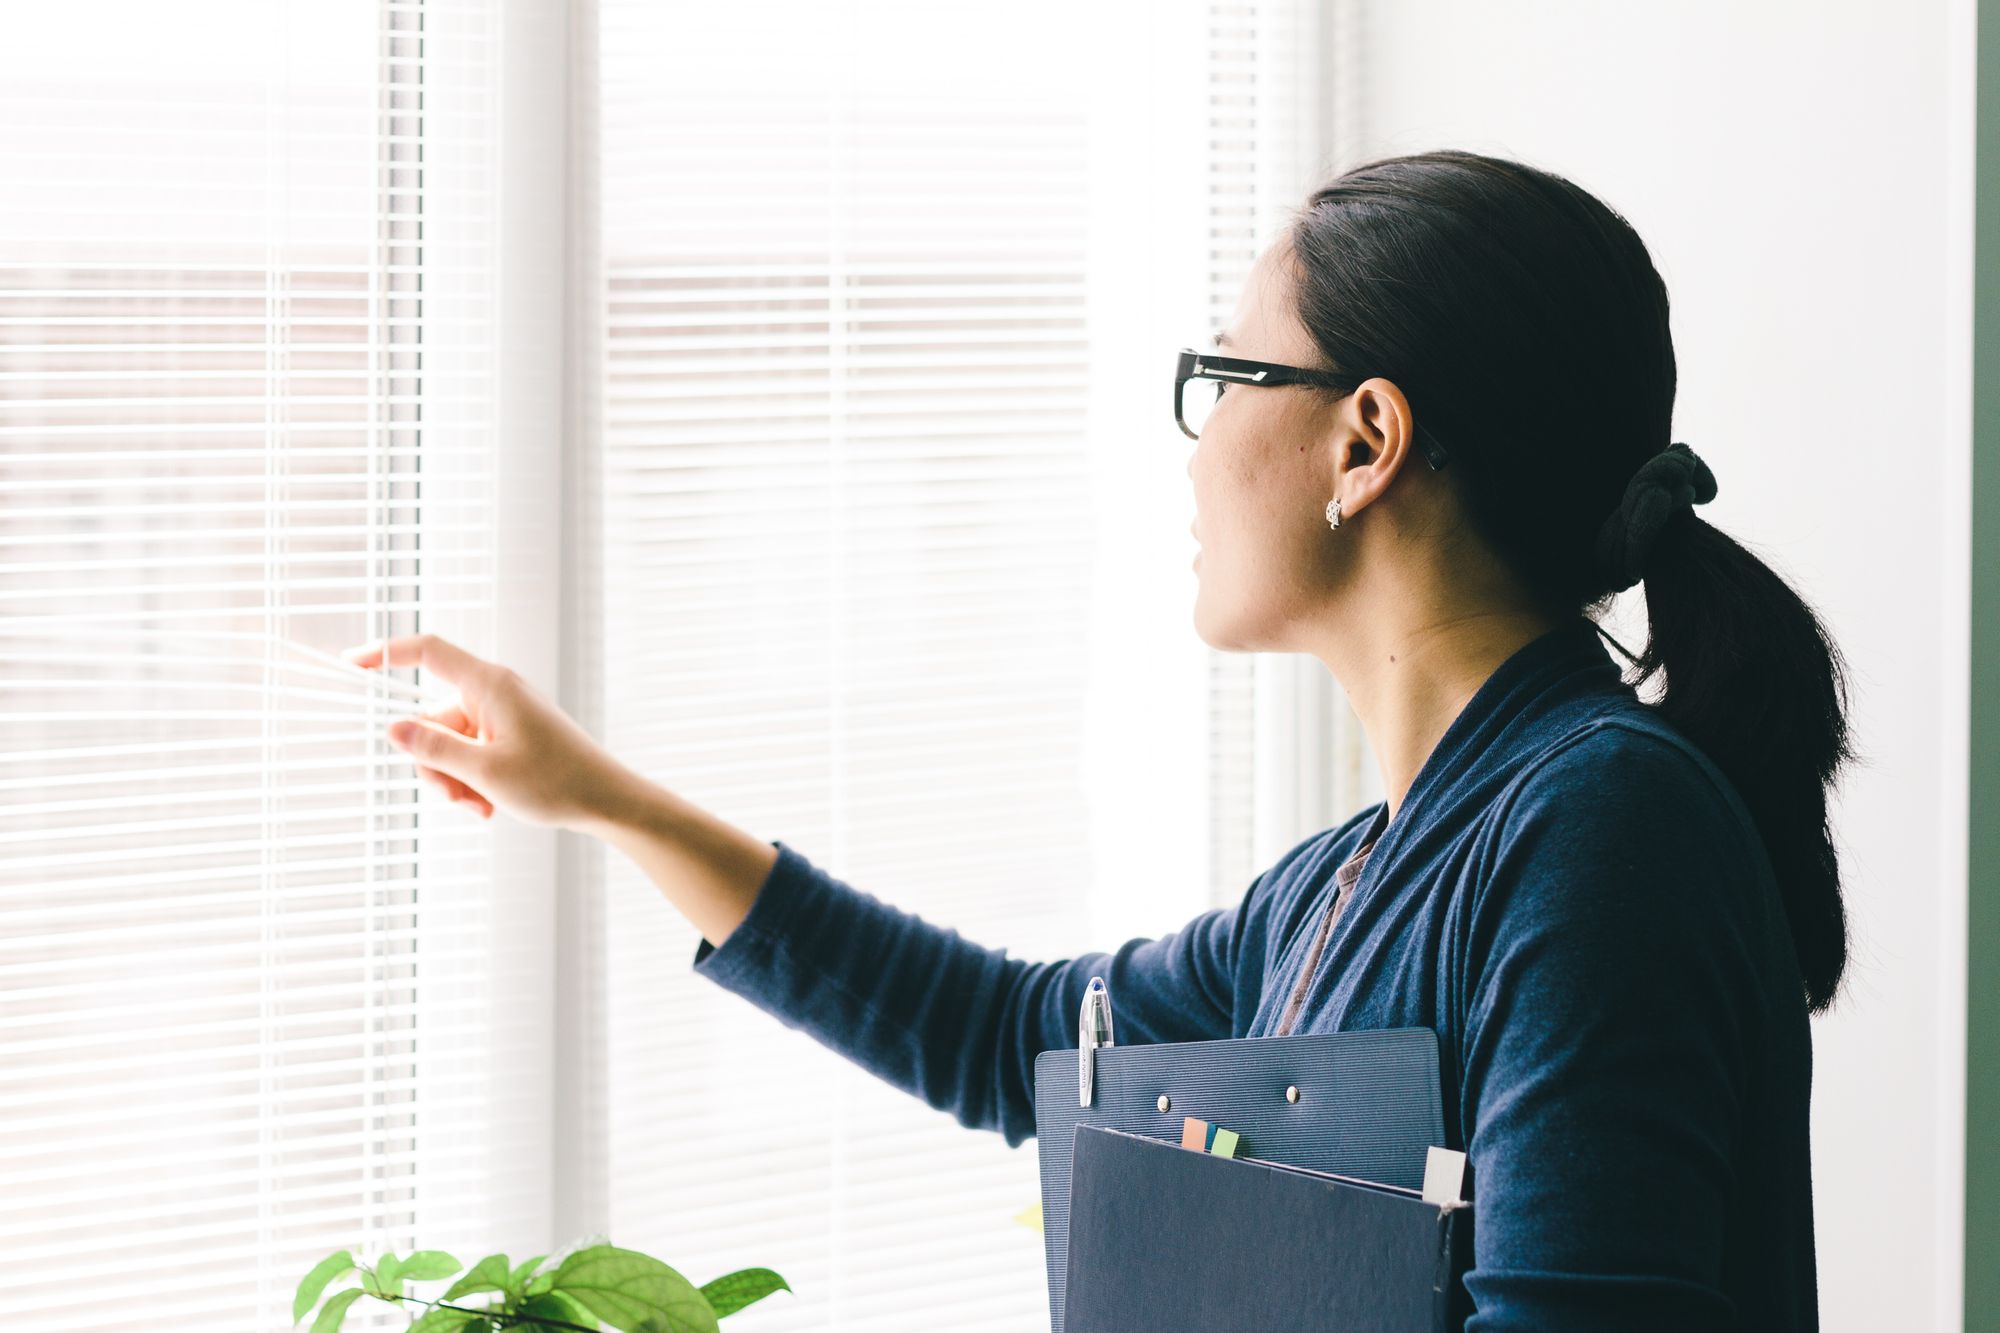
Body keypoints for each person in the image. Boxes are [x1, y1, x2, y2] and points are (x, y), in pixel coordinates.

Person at [342, 149, 1856, 1331]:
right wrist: (595, 792)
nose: (1198, 453)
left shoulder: (1597, 833)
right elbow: (1015, 1038)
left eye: (1227, 378)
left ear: (1365, 442)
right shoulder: (1343, 889)